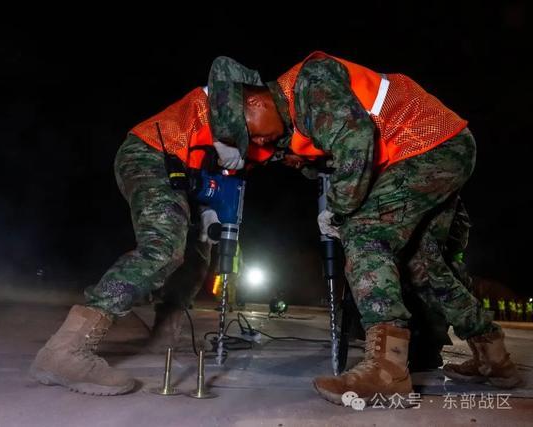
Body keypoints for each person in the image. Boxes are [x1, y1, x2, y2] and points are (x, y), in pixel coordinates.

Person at [219, 51, 522, 404]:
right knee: (422, 266)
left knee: (363, 231)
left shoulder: (308, 83)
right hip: (440, 147)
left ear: (255, 101)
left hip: (424, 144)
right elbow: (338, 148)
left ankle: (388, 371)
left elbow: (357, 139)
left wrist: (338, 210)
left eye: (249, 133)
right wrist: (300, 160)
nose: (257, 143)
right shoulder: (297, 115)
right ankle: (493, 354)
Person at [29, 57, 274, 395]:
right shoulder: (248, 93)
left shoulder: (258, 139)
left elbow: (215, 177)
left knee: (197, 256)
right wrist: (228, 136)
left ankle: (164, 337)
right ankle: (66, 350)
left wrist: (209, 211)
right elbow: (221, 71)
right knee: (163, 249)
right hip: (152, 154)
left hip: (186, 178)